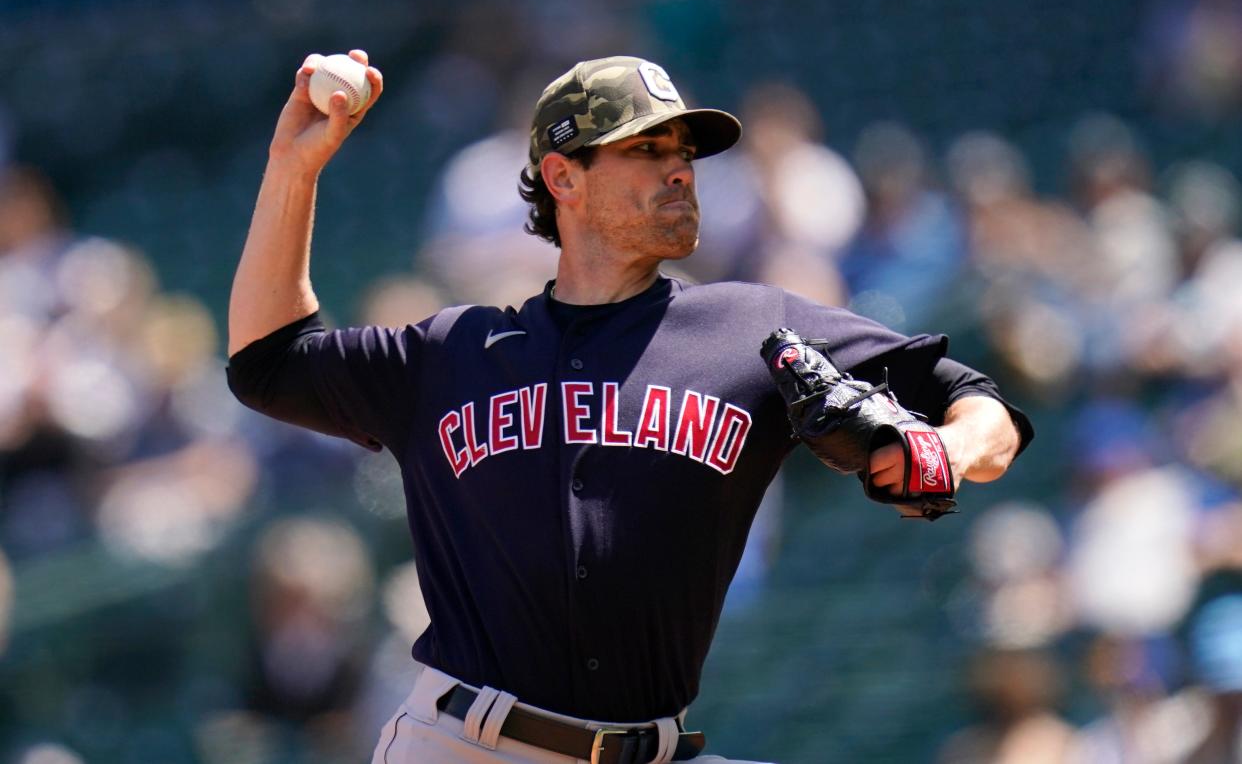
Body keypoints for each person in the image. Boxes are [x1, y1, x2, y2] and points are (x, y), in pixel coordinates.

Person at [227, 51, 1033, 764]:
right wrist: (294, 168)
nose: (680, 168)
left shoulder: (752, 328)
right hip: (469, 746)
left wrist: (948, 452)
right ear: (563, 176)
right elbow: (266, 363)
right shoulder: (449, 355)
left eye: (684, 152)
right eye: (647, 149)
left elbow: (979, 403)